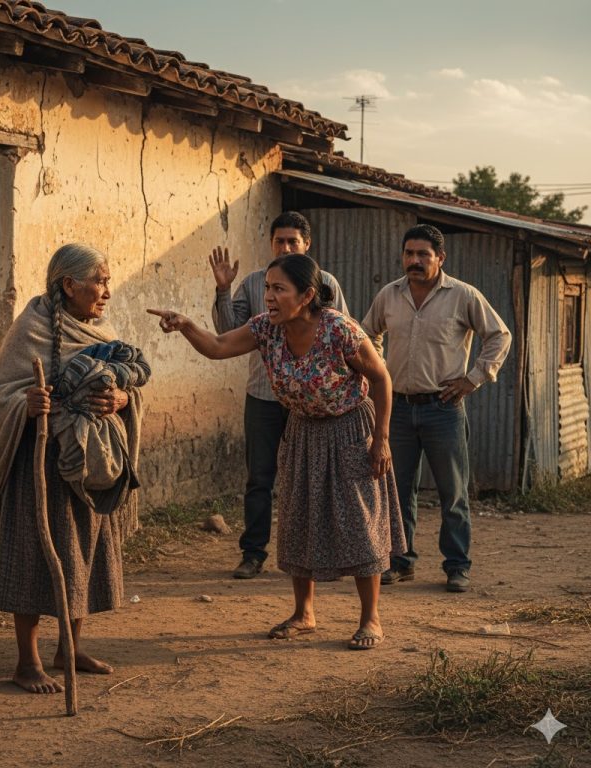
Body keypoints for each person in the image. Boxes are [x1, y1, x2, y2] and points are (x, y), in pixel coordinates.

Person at [149, 255, 405, 649]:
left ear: (306, 295)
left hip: (350, 427)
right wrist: (184, 325)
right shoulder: (266, 330)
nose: (268, 296)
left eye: (278, 289)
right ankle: (305, 613)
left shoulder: (340, 330)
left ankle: (370, 619)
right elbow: (217, 347)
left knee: (359, 522)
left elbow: (381, 378)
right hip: (301, 431)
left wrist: (381, 439)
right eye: (267, 287)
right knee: (298, 520)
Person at [0, 243, 150, 693]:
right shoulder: (31, 329)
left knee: (82, 555)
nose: (106, 291)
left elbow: (128, 383)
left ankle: (69, 649)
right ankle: (27, 662)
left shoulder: (102, 331)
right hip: (39, 466)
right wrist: (27, 402)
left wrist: (121, 399)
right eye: (99, 281)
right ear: (68, 285)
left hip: (90, 465)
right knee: (36, 556)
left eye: (108, 281)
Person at [361, 224, 511, 593]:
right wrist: (378, 372)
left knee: (453, 492)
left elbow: (499, 335)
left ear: (440, 258)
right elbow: (367, 334)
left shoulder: (462, 295)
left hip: (443, 408)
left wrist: (473, 378)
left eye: (422, 254)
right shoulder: (389, 295)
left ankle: (457, 566)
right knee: (397, 490)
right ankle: (400, 561)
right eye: (409, 253)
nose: (414, 260)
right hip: (396, 408)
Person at [210, 211, 349, 579]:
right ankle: (253, 554)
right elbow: (227, 331)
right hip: (264, 396)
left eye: (292, 241)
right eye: (279, 241)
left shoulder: (325, 283)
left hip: (310, 405)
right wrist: (224, 289)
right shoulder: (257, 283)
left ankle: (320, 556)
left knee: (313, 478)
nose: (285, 247)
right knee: (260, 478)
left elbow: (344, 341)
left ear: (307, 245)